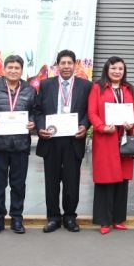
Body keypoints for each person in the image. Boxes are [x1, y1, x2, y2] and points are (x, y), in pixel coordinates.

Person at [0, 54, 38, 235]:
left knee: (19, 184)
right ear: (4, 69)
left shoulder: (29, 90)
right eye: (10, 67)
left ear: (21, 70)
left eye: (17, 68)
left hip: (20, 145)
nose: (13, 71)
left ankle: (17, 218)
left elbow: (36, 111)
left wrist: (32, 122)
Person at [35, 49, 92, 233]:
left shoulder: (85, 86)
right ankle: (52, 217)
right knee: (51, 182)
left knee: (71, 181)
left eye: (70, 63)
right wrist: (41, 127)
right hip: (51, 140)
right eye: (63, 63)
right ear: (57, 66)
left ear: (75, 65)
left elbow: (89, 112)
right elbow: (37, 111)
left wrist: (84, 126)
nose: (66, 66)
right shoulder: (46, 85)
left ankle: (69, 217)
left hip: (73, 140)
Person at [88, 56, 134, 234]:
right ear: (107, 70)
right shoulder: (97, 87)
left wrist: (132, 124)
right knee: (105, 180)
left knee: (122, 181)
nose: (117, 71)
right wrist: (102, 127)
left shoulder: (128, 88)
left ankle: (118, 219)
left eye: (120, 68)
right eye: (113, 68)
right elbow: (92, 112)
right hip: (105, 140)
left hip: (125, 138)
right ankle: (104, 221)